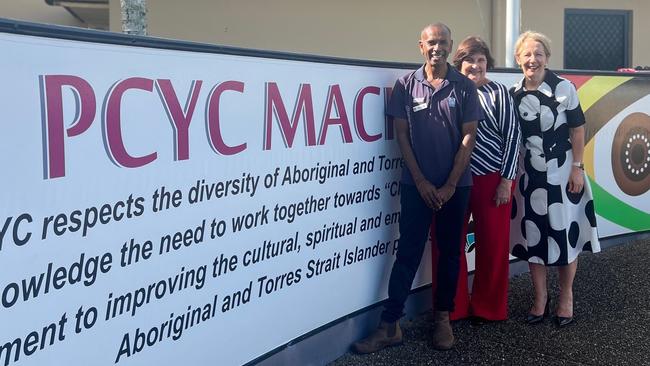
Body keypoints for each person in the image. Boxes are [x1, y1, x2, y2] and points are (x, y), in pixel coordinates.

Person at [352, 23, 480, 353]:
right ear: (421, 46)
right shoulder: (406, 86)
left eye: (443, 42)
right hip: (415, 187)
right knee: (407, 254)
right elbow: (401, 135)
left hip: (456, 187)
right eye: (431, 42)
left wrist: (450, 183)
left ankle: (442, 320)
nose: (437, 47)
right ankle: (389, 325)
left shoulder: (464, 86)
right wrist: (421, 181)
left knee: (450, 253)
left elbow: (469, 137)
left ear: (451, 46)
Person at [509, 31, 600, 327]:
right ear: (518, 59)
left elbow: (577, 130)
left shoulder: (564, 88)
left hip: (562, 173)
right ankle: (539, 299)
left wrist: (578, 167)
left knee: (564, 238)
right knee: (534, 237)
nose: (532, 59)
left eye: (538, 54)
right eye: (526, 54)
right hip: (530, 176)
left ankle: (566, 298)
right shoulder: (514, 94)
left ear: (547, 58)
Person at [429, 36, 521, 323]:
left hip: (492, 179)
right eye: (470, 60)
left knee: (493, 245)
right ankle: (451, 307)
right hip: (453, 179)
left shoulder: (499, 93)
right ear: (460, 63)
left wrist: (506, 181)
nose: (476, 65)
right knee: (448, 243)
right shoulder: (448, 91)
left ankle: (489, 307)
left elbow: (513, 136)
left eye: (481, 60)